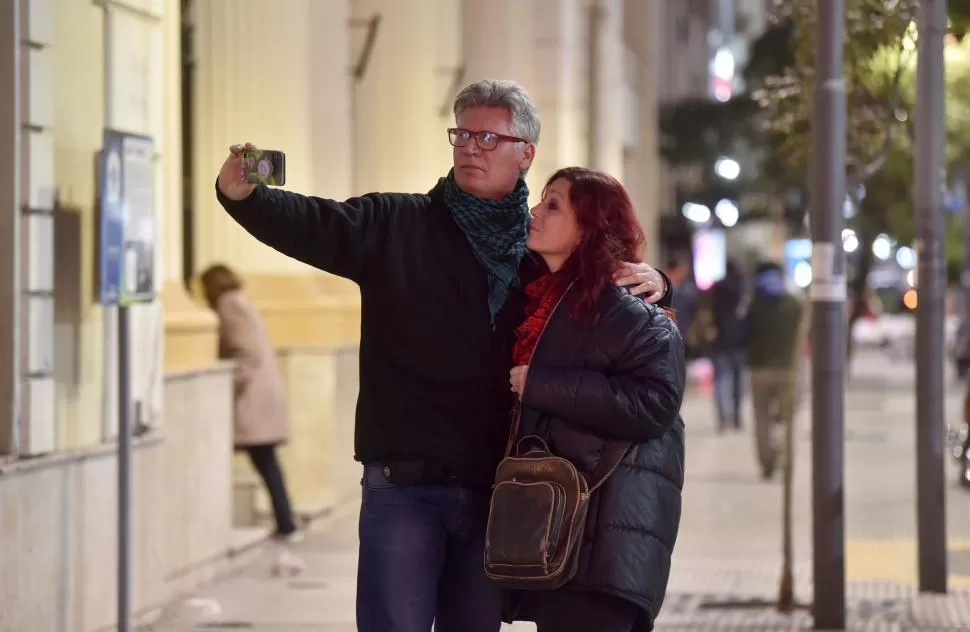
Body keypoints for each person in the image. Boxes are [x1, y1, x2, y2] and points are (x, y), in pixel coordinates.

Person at [215, 79, 673, 632]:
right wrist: (247, 196)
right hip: (404, 485)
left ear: (525, 153)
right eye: (461, 134)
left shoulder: (539, 252)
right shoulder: (397, 223)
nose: (469, 147)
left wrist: (659, 282)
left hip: (496, 491)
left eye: (487, 136)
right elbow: (319, 223)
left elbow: (609, 301)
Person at [505, 167, 685, 632]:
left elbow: (654, 405)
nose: (535, 212)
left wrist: (542, 384)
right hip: (565, 531)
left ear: (588, 227)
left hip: (604, 544)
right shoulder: (546, 294)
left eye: (553, 205)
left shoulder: (627, 311)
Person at [199, 264, 301, 542]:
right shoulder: (241, 300)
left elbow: (247, 353)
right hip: (261, 396)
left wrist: (224, 382)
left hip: (251, 398)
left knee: (265, 463)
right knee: (268, 464)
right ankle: (286, 522)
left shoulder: (228, 304)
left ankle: (287, 523)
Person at [745, 261, 805, 480]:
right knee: (788, 420)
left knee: (761, 418)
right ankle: (786, 462)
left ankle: (766, 463)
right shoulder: (793, 303)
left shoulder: (754, 303)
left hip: (758, 369)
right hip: (788, 370)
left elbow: (743, 333)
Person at [710, 259, 748, 431]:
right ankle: (737, 417)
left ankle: (723, 418)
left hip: (719, 339)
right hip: (739, 341)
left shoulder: (717, 289)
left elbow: (709, 313)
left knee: (721, 380)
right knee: (739, 381)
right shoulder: (741, 289)